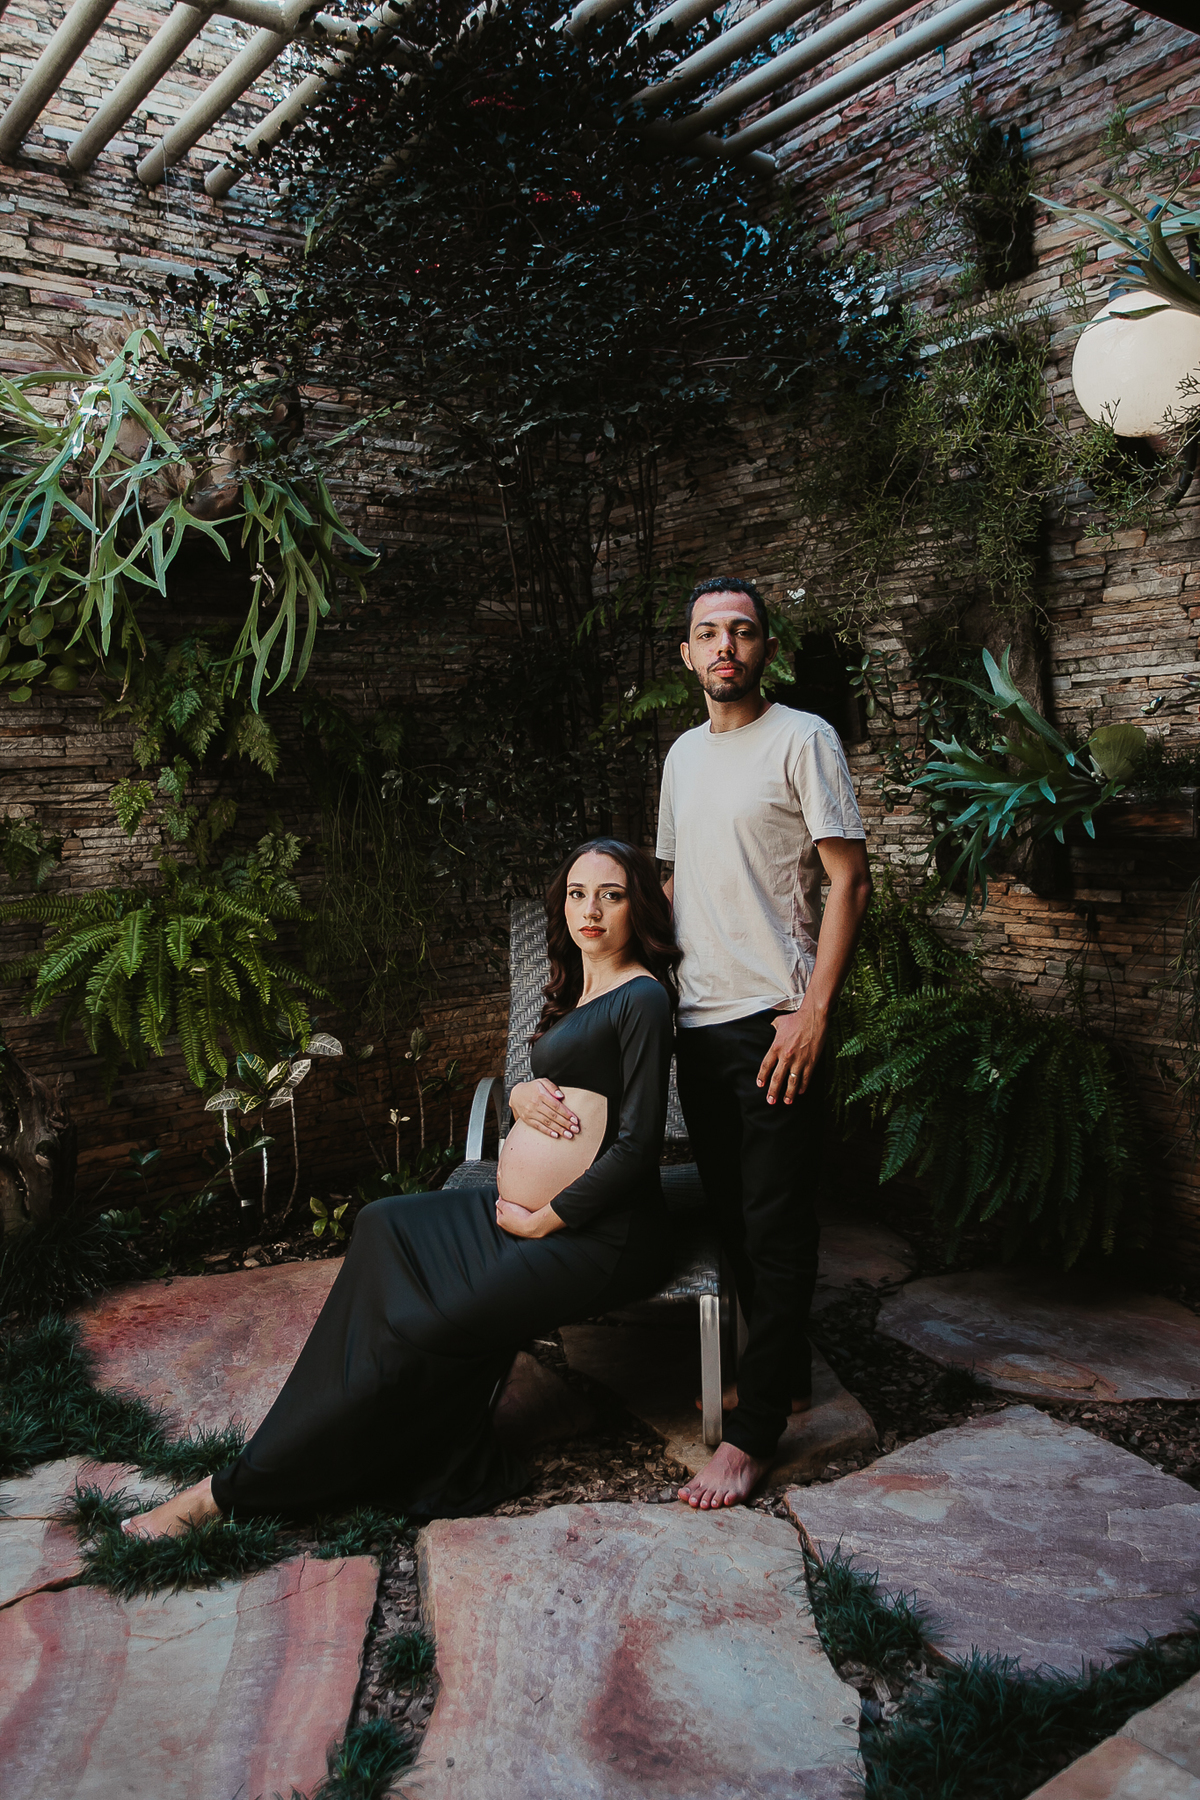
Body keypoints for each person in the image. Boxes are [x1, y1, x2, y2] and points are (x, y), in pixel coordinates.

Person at [124, 839, 678, 1538]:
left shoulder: (642, 999)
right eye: (576, 893)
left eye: (611, 895)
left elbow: (637, 1148)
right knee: (385, 1223)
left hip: (604, 1235)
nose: (590, 909)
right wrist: (520, 1092)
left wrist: (549, 1218)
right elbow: (566, 1084)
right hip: (536, 1216)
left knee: (429, 1321)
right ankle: (310, 1436)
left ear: (637, 906)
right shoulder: (579, 987)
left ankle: (233, 1491)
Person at [659, 576, 872, 1510]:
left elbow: (849, 879)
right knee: (737, 1216)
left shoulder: (803, 738)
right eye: (709, 632)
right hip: (697, 1020)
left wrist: (815, 1011)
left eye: (742, 632)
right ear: (687, 654)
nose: (726, 646)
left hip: (775, 1019)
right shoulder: (681, 755)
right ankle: (777, 1375)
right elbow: (676, 883)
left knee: (777, 1223)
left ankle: (751, 1441)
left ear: (765, 650)